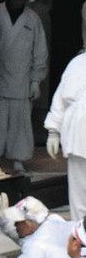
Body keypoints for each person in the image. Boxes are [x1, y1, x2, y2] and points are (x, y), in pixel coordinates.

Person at [0, 0, 48, 173]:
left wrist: (35, 81)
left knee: (19, 125)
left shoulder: (33, 19)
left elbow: (40, 52)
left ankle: (18, 158)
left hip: (21, 81)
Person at [48, 52, 86, 221]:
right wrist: (53, 131)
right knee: (79, 197)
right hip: (76, 138)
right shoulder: (76, 63)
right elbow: (60, 100)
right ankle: (81, 239)